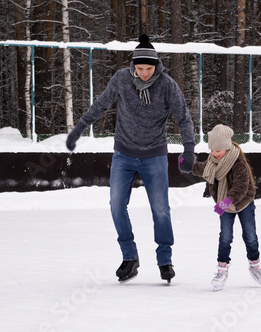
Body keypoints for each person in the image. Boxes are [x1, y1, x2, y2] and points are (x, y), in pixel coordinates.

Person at [66, 34, 195, 284]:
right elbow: (101, 104)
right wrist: (79, 129)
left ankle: (165, 259)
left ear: (157, 65)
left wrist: (188, 149)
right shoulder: (121, 79)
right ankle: (129, 257)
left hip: (154, 154)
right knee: (116, 204)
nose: (145, 73)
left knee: (160, 209)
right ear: (133, 66)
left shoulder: (167, 84)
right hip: (123, 153)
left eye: (149, 68)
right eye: (140, 68)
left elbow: (183, 117)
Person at [190, 124, 261, 291]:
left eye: (218, 150)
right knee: (225, 236)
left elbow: (241, 185)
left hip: (243, 202)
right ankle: (222, 270)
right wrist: (188, 164)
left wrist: (226, 201)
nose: (214, 153)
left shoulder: (237, 161)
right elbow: (201, 169)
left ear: (226, 146)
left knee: (250, 235)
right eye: (212, 150)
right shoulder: (212, 161)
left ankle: (255, 265)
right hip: (224, 204)